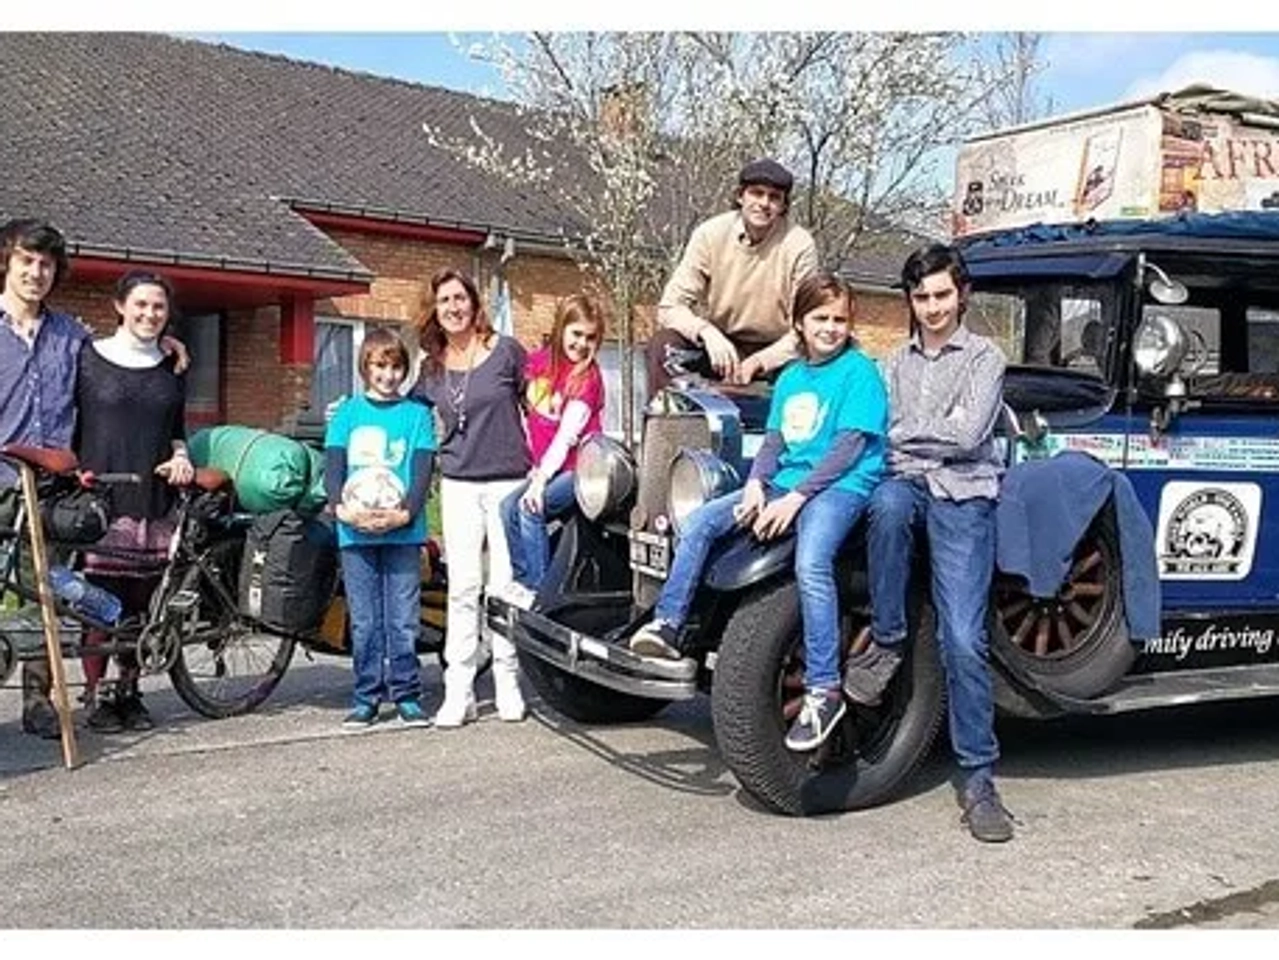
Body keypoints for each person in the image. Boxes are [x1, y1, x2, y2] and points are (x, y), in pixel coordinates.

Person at [629, 272, 887, 751]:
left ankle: (824, 689)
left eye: (839, 320)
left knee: (812, 562)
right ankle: (668, 624)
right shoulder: (791, 378)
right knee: (701, 522)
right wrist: (754, 485)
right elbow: (774, 442)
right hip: (785, 482)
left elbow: (849, 447)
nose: (830, 328)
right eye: (820, 318)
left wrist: (795, 498)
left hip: (843, 486)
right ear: (800, 323)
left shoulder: (860, 373)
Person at [841, 243, 1014, 843]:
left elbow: (969, 437)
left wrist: (908, 433)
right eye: (921, 297)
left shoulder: (986, 358)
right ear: (910, 301)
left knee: (962, 638)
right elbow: (880, 434)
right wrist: (923, 435)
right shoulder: (891, 364)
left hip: (964, 492)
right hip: (905, 485)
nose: (933, 307)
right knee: (886, 505)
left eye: (942, 295)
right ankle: (887, 639)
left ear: (961, 294)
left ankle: (979, 778)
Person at [0, 218, 189, 738]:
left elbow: (128, 349)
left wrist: (166, 341)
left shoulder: (71, 336)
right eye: (26, 261)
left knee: (44, 594)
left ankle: (38, 699)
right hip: (0, 478)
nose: (36, 273)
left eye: (46, 264)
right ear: (7, 263)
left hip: (51, 490)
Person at [73, 270, 194, 732]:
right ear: (120, 306)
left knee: (142, 602)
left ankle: (129, 690)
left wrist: (182, 457)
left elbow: (177, 429)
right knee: (99, 602)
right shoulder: (88, 357)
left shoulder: (173, 365)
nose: (150, 314)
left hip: (155, 495)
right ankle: (96, 695)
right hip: (100, 494)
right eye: (141, 304)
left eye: (158, 306)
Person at [414, 268, 530, 727]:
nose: (453, 308)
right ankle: (458, 690)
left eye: (459, 298)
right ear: (435, 310)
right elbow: (405, 415)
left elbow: (540, 406)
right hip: (459, 483)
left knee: (505, 586)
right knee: (463, 587)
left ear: (474, 303)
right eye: (444, 301)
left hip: (508, 482)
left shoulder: (506, 352)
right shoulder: (431, 367)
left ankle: (507, 681)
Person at [325, 328, 437, 730]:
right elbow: (333, 468)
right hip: (355, 534)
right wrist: (343, 511)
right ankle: (366, 696)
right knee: (365, 620)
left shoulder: (417, 416)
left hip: (402, 532)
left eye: (396, 367)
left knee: (403, 618)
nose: (388, 375)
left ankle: (406, 694)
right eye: (380, 366)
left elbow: (422, 470)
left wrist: (405, 514)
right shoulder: (347, 414)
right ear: (365, 367)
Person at [646, 157, 819, 395]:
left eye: (774, 197)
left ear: (783, 205)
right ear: (740, 196)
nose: (764, 203)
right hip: (720, 345)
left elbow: (805, 325)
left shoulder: (799, 244)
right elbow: (669, 307)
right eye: (756, 193)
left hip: (778, 351)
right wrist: (706, 332)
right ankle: (669, 416)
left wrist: (761, 360)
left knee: (810, 368)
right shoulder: (710, 234)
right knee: (664, 346)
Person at [498, 294, 606, 609]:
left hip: (581, 470)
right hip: (549, 467)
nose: (582, 344)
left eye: (590, 338)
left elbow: (566, 436)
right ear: (561, 329)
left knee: (531, 507)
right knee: (507, 507)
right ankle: (522, 582)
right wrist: (536, 468)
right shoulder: (537, 364)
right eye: (576, 334)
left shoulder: (587, 378)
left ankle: (540, 592)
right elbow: (529, 416)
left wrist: (540, 480)